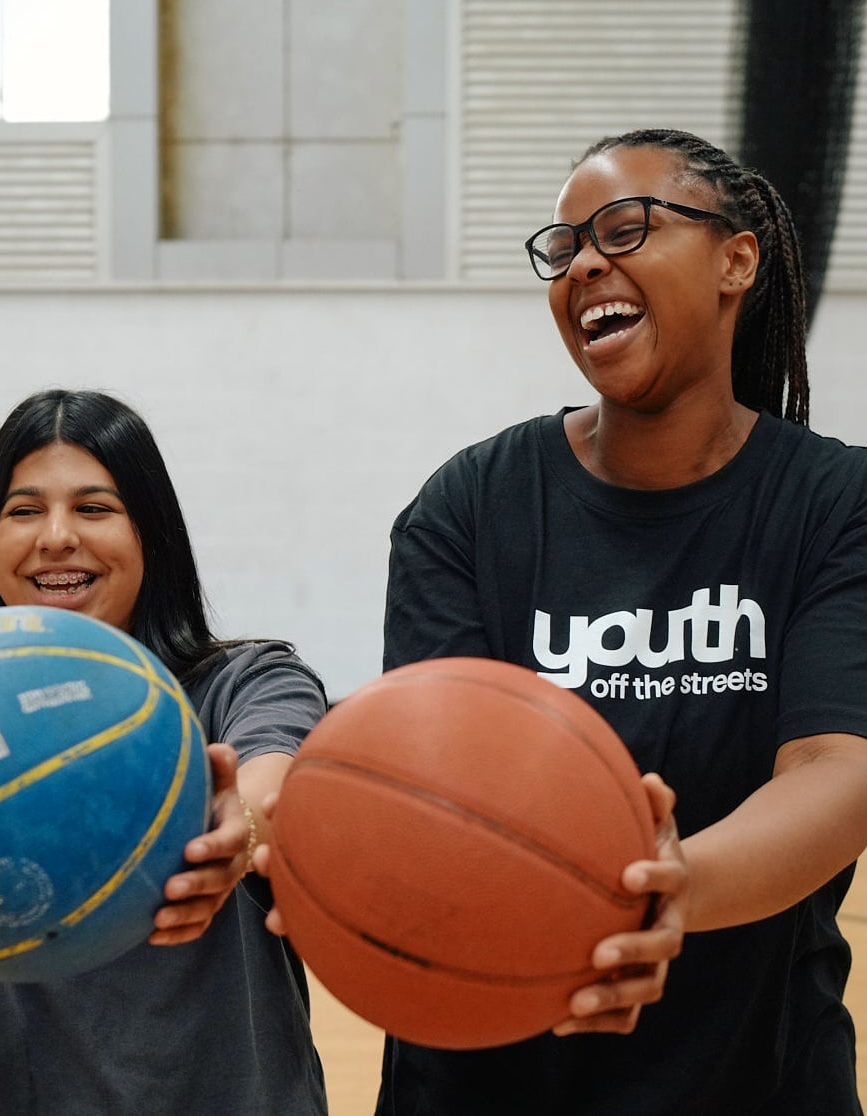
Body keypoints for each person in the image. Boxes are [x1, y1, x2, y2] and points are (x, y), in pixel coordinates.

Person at [256, 128, 867, 1114]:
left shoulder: (834, 504)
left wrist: (673, 890)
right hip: (483, 1082)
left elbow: (840, 771)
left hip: (753, 1074)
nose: (585, 263)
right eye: (565, 246)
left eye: (625, 228)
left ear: (735, 259)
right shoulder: (470, 506)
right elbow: (426, 788)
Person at [0, 388, 329, 1115]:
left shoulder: (248, 683)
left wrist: (239, 828)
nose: (57, 537)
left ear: (151, 534)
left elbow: (271, 779)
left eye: (94, 508)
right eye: (24, 510)